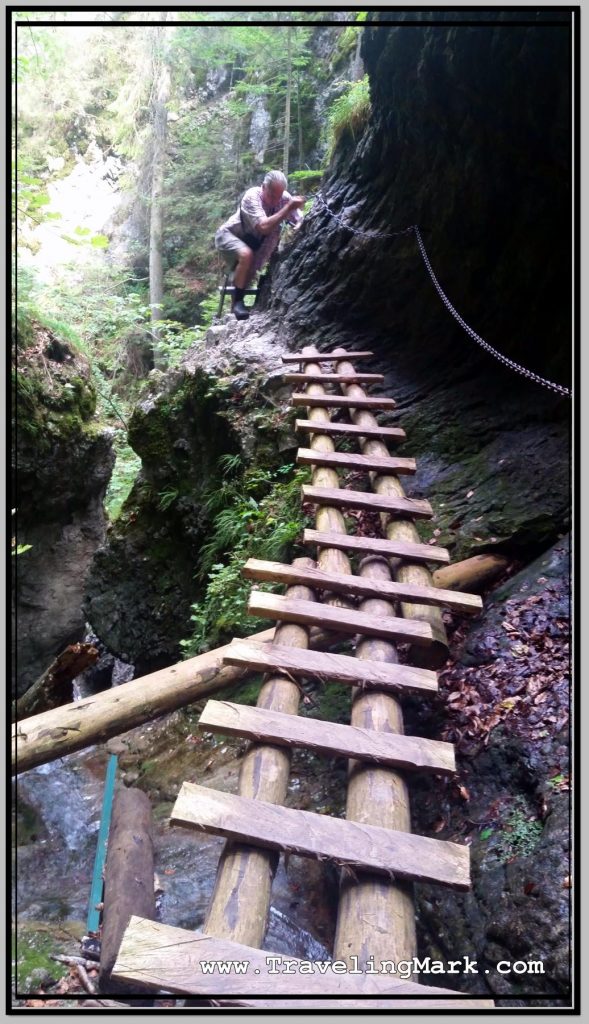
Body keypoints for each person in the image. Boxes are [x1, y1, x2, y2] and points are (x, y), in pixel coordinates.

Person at [214, 170, 305, 320]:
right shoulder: (252, 196)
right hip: (229, 235)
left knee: (248, 271)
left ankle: (236, 312)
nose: (276, 201)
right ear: (263, 187)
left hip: (256, 245)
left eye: (279, 196)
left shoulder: (285, 199)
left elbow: (299, 219)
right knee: (246, 254)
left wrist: (298, 224)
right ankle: (237, 303)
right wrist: (288, 208)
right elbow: (263, 227)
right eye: (271, 196)